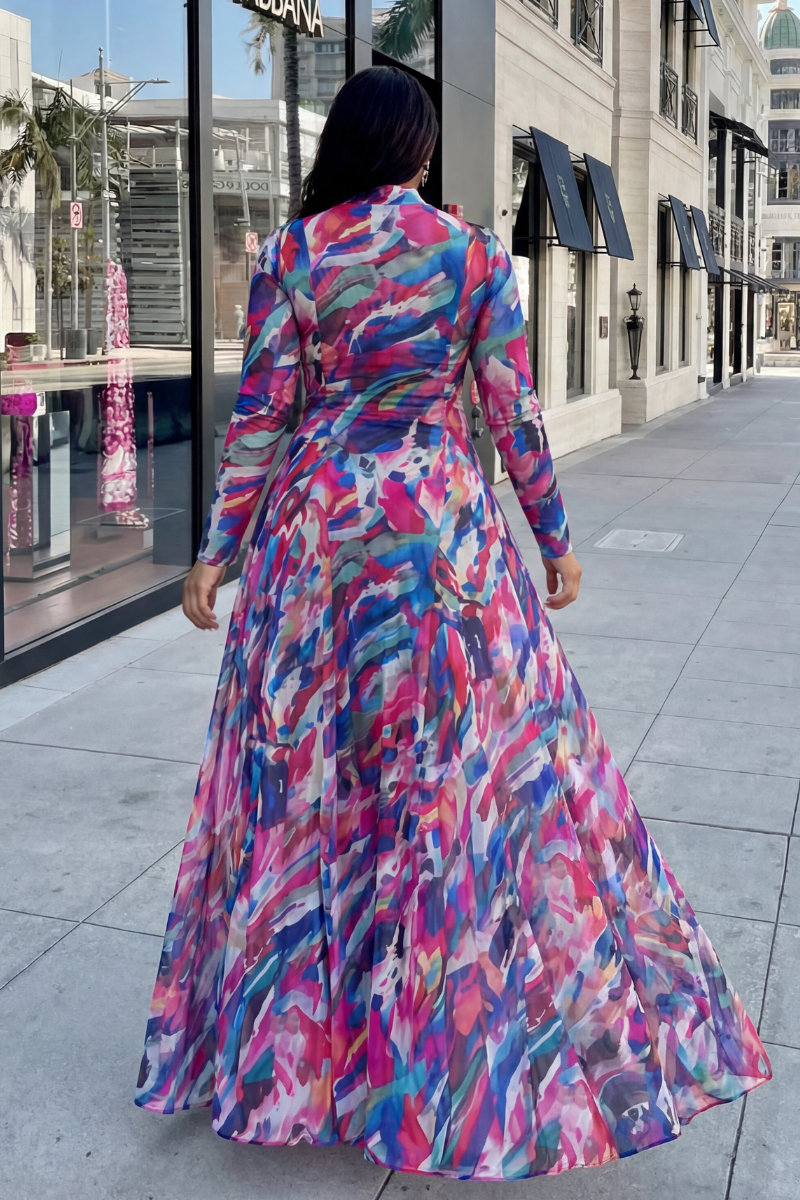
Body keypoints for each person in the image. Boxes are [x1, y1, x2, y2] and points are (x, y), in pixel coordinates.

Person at [135, 66, 770, 1181]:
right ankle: (447, 1053)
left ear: (346, 147)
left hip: (317, 544)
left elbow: (263, 418)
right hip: (440, 538)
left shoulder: (293, 254)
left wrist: (215, 554)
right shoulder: (472, 256)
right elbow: (509, 410)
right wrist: (553, 537)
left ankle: (297, 1063)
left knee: (311, 787)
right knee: (462, 784)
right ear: (419, 151)